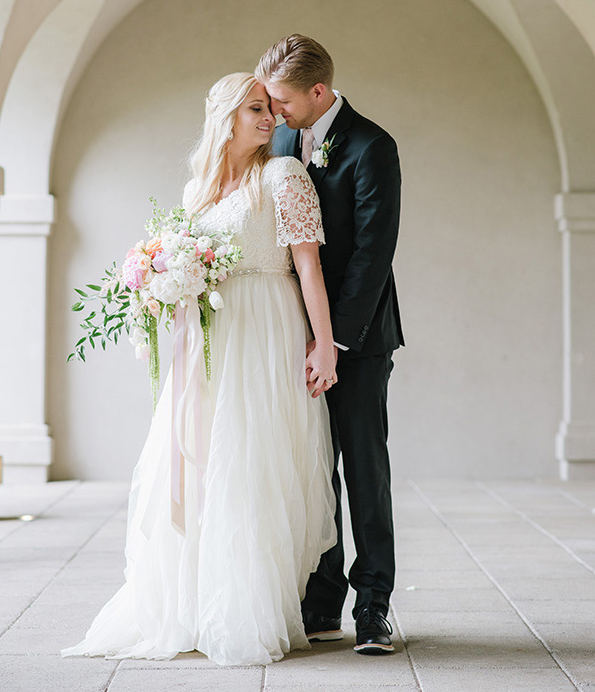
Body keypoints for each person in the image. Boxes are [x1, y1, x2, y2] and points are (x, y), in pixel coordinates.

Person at [60, 72, 339, 666]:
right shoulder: (197, 191)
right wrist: (160, 288)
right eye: (256, 110)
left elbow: (308, 267)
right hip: (209, 340)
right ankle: (191, 603)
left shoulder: (282, 176)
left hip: (266, 327)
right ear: (226, 117)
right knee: (198, 459)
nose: (269, 120)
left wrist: (324, 344)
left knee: (251, 461)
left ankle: (249, 604)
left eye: (270, 108)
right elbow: (187, 259)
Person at [255, 34, 404, 655]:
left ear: (319, 91)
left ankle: (374, 606)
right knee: (313, 466)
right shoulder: (282, 141)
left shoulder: (373, 146)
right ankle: (321, 605)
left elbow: (373, 254)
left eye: (283, 101)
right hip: (295, 334)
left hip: (359, 337)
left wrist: (333, 342)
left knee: (363, 467)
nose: (274, 113)